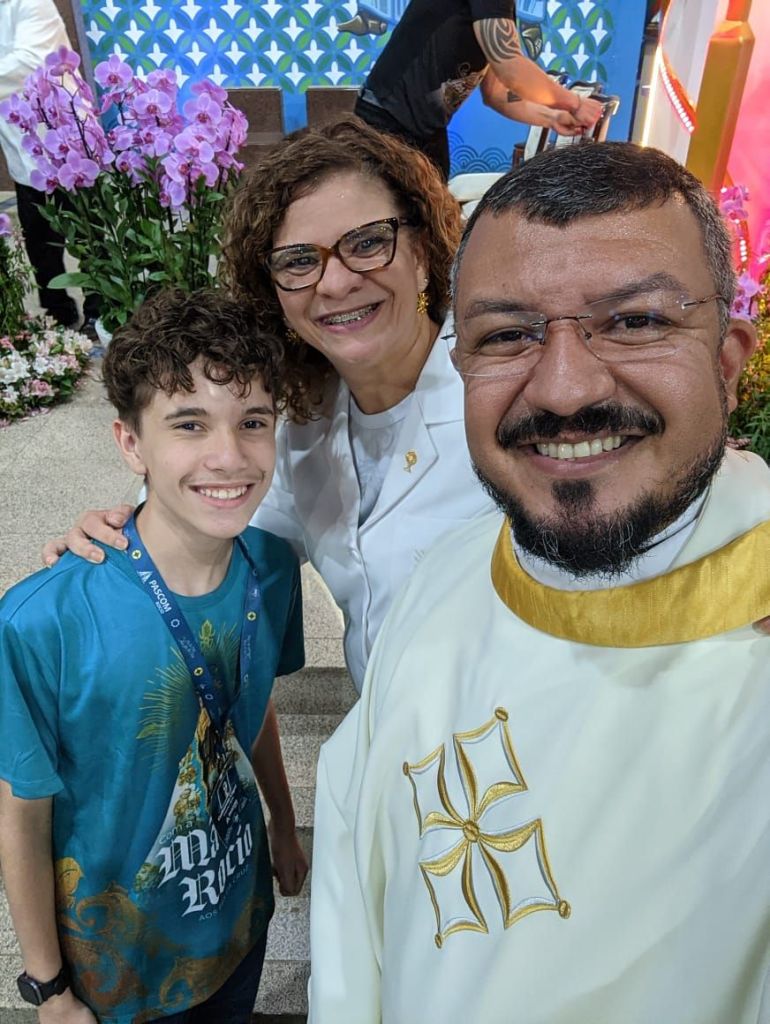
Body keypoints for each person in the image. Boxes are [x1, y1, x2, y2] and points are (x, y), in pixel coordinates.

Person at [308, 142, 770, 1022]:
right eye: (508, 335)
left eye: (633, 321)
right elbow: (352, 865)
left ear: (727, 358)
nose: (562, 388)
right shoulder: (448, 575)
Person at [43, 118, 496, 693]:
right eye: (299, 260)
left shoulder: (503, 399)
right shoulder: (302, 418)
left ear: (425, 251)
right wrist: (116, 538)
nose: (334, 283)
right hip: (388, 740)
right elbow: (225, 512)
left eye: (366, 243)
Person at [0, 288, 308, 1023]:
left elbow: (250, 701)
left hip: (238, 915)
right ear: (131, 444)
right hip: (120, 970)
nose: (228, 456)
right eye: (189, 423)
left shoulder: (271, 566)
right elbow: (21, 814)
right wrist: (48, 987)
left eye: (253, 422)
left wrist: (284, 821)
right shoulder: (44, 620)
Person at [353, 0, 603, 177]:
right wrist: (575, 103)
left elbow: (497, 94)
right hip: (387, 121)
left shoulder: (495, 10)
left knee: (434, 234)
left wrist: (553, 116)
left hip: (425, 130)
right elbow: (511, 66)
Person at [0, 0, 100, 329]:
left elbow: (30, 63)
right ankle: (57, 312)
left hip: (65, 139)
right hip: (22, 144)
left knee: (89, 234)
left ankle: (100, 309)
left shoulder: (31, 2)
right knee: (40, 237)